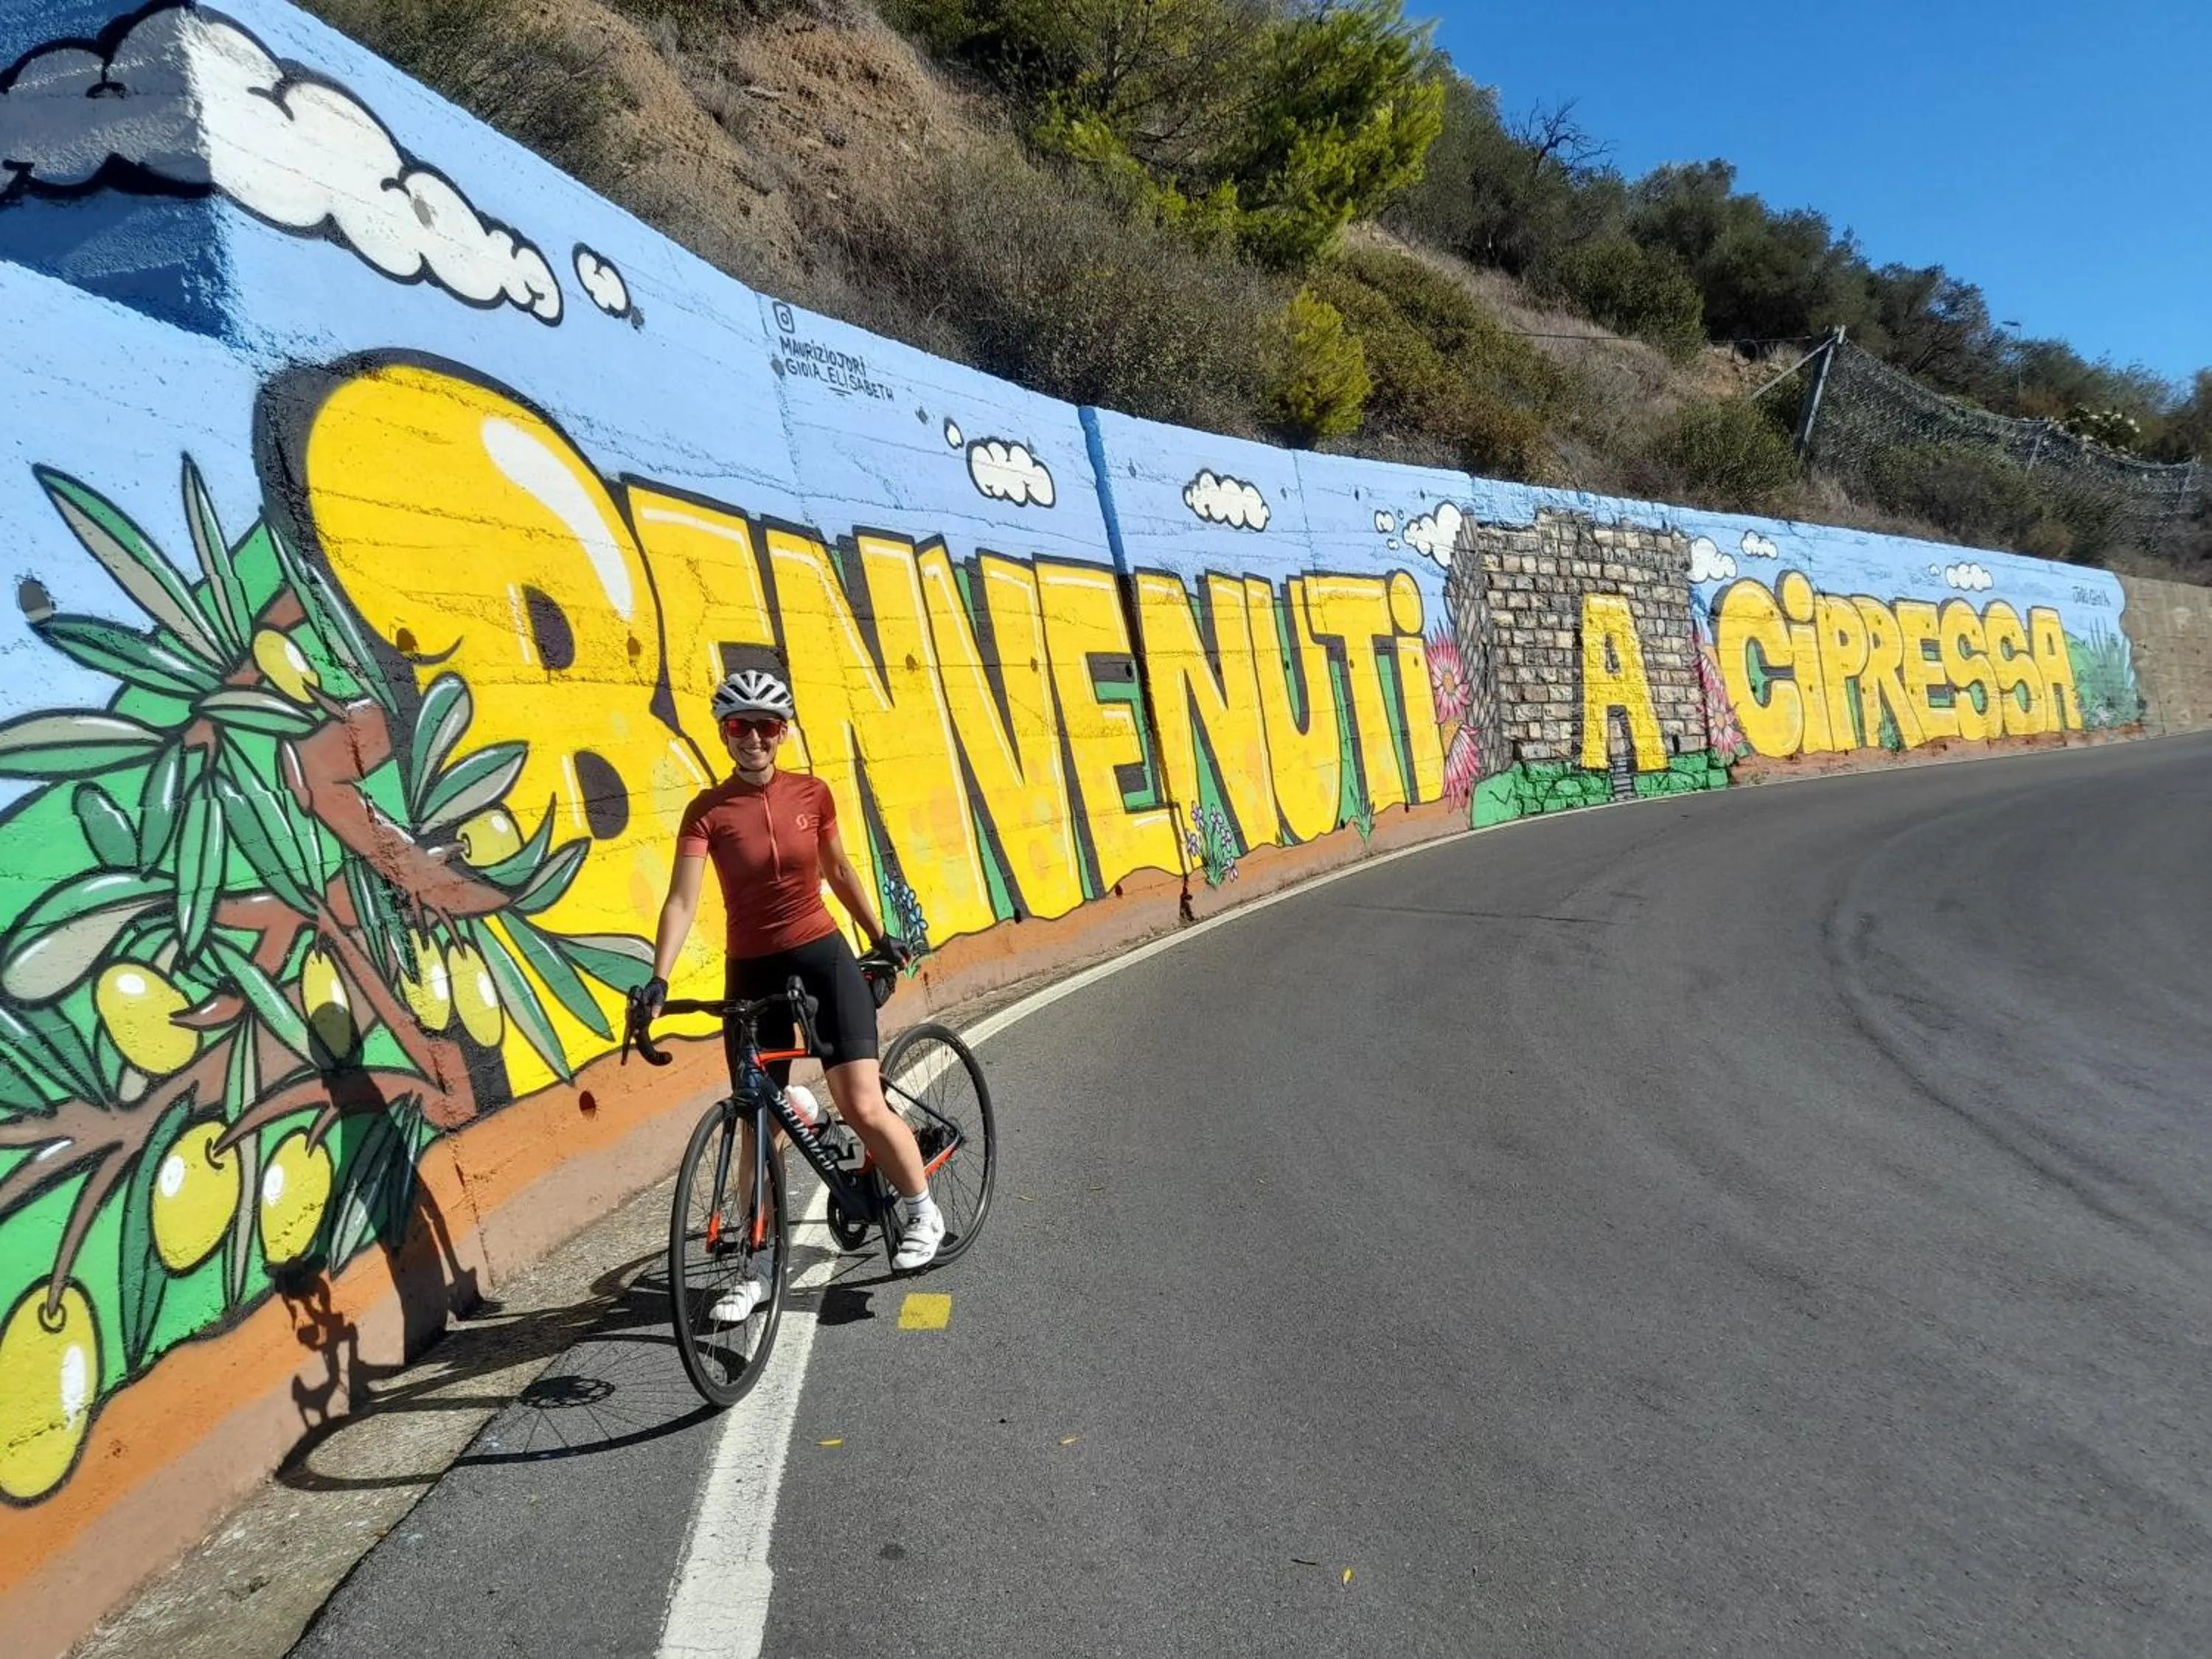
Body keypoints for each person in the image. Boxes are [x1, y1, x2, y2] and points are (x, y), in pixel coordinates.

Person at [629, 667, 939, 1320]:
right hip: (751, 970)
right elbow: (682, 900)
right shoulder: (707, 813)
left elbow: (840, 869)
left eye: (767, 727)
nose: (755, 739)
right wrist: (658, 976)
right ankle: (757, 1267)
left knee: (860, 1101)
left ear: (783, 732)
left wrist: (879, 936)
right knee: (756, 1124)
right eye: (741, 727)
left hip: (822, 957)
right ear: (724, 733)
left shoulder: (813, 793)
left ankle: (920, 1210)